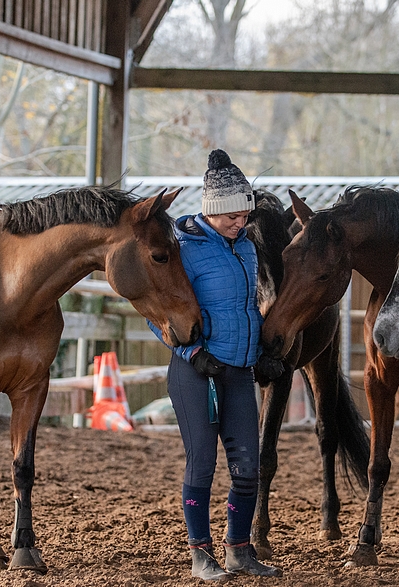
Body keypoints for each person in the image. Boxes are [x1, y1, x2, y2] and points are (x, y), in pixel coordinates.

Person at [149, 149, 285, 581]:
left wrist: (263, 353)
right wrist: (192, 353)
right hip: (196, 373)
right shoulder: (183, 248)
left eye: (244, 215)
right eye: (231, 216)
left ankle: (239, 550)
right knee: (202, 465)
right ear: (212, 211)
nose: (239, 223)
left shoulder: (246, 248)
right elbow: (158, 314)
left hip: (239, 372)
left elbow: (249, 306)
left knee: (248, 469)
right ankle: (200, 555)